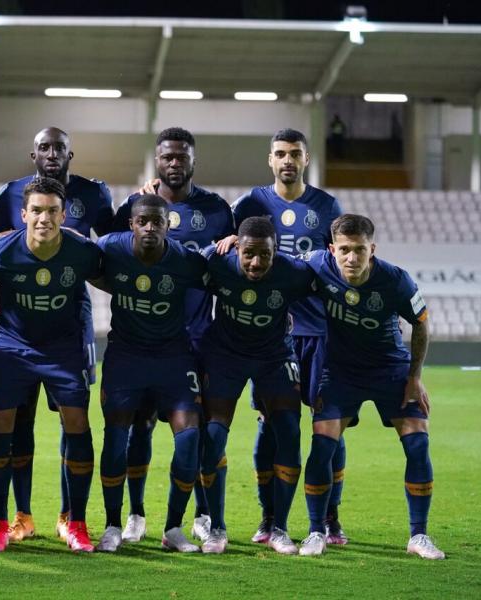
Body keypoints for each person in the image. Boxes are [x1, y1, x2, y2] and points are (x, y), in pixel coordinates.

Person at [0, 126, 114, 542]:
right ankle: (19, 515)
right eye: (44, 147)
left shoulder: (93, 193)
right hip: (18, 321)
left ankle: (69, 516)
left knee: (72, 417)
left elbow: (114, 242)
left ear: (70, 154)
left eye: (59, 148)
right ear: (33, 154)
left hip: (71, 319)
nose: (52, 153)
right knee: (17, 418)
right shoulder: (11, 193)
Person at [299, 214, 444, 560]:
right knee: (322, 445)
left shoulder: (395, 280)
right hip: (340, 371)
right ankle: (316, 531)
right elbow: (276, 264)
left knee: (418, 444)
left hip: (390, 369)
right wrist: (231, 242)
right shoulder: (317, 264)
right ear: (332, 249)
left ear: (372, 249)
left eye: (360, 250)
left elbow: (421, 324)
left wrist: (414, 377)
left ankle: (419, 535)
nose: (352, 258)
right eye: (344, 250)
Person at [114, 127, 234, 543]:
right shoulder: (135, 205)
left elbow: (231, 266)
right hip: (145, 341)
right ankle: (135, 514)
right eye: (167, 156)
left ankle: (202, 513)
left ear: (193, 161)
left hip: (200, 340)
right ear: (157, 160)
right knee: (140, 426)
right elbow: (112, 256)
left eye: (182, 156)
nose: (175, 163)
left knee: (199, 432)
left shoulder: (216, 210)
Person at [226, 128, 346, 545]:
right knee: (269, 423)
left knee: (328, 424)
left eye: (295, 153)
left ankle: (330, 517)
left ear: (306, 159)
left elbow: (342, 261)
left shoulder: (327, 206)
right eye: (280, 154)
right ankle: (269, 517)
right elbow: (224, 242)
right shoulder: (250, 204)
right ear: (270, 160)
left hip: (320, 331)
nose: (288, 160)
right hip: (270, 332)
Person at [94, 194, 208, 553]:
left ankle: (173, 528)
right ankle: (113, 525)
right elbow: (81, 263)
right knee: (116, 439)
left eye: (157, 221)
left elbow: (227, 278)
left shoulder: (185, 260)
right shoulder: (110, 248)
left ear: (167, 225)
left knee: (189, 438)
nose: (149, 227)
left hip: (173, 358)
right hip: (125, 358)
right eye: (142, 221)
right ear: (131, 224)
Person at [198, 217, 317, 555]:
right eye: (248, 253)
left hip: (274, 357)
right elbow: (183, 268)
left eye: (265, 254)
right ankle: (216, 528)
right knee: (213, 437)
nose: (255, 262)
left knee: (289, 432)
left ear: (276, 251)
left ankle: (279, 528)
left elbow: (332, 286)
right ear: (236, 247)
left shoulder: (293, 272)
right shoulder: (217, 261)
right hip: (225, 356)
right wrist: (215, 246)